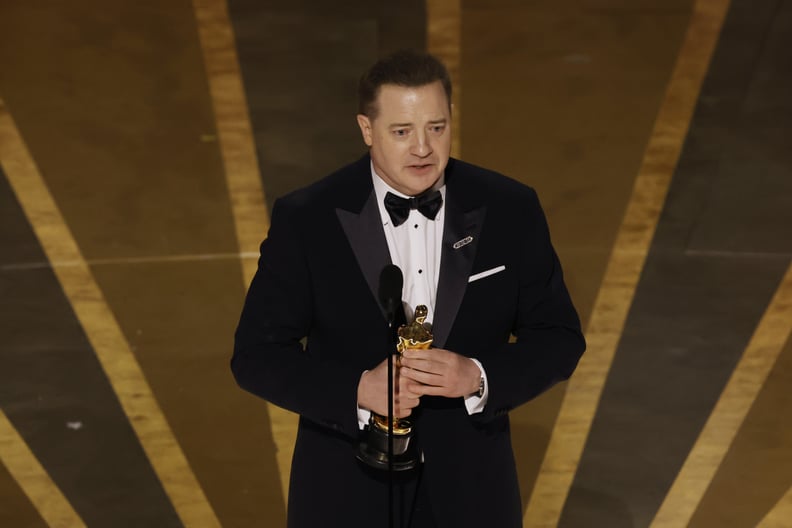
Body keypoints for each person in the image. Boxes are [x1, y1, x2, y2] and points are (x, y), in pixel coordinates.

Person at [232, 49, 585, 528]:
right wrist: (359, 389)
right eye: (402, 132)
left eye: (436, 127)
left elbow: (559, 336)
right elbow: (256, 355)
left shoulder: (510, 209)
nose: (423, 148)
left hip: (472, 495)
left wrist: (478, 376)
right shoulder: (307, 219)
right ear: (366, 129)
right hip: (343, 495)